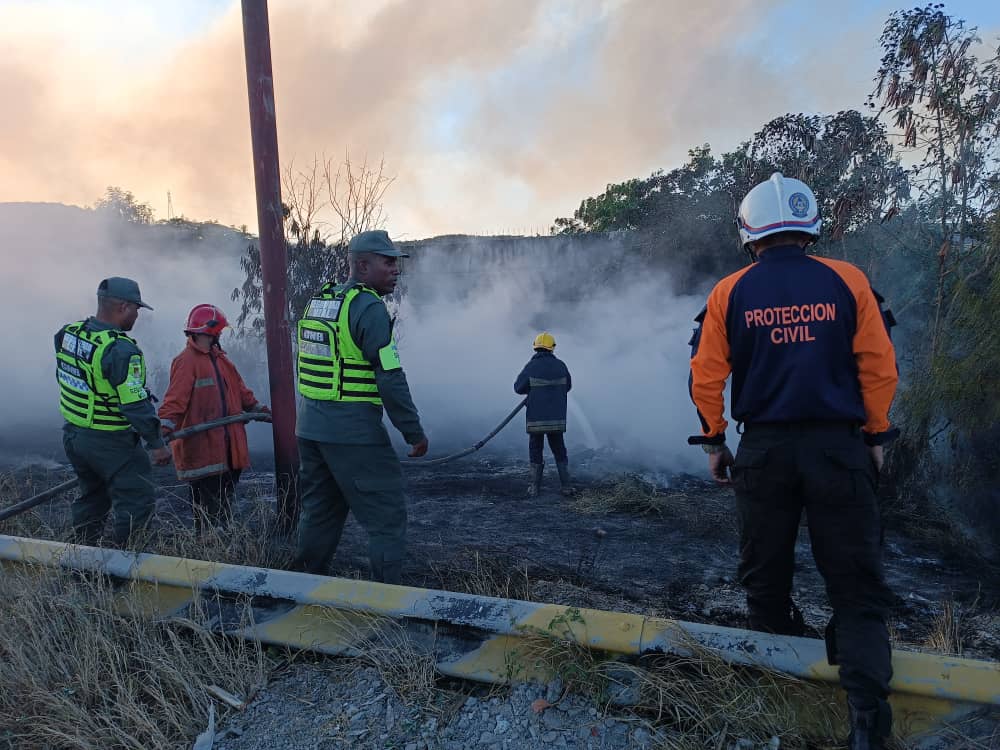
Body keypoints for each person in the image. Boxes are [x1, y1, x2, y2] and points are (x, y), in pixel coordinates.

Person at [687, 173, 899, 750]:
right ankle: (866, 723)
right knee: (856, 586)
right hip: (839, 447)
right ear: (810, 227)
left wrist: (714, 440)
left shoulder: (730, 292)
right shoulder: (848, 280)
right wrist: (875, 434)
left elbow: (706, 376)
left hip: (764, 452)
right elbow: (879, 367)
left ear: (749, 234)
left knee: (766, 578)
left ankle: (774, 701)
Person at [293, 229, 428, 584]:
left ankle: (300, 592)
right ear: (363, 266)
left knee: (319, 513)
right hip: (354, 434)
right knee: (387, 519)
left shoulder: (320, 301)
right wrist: (413, 431)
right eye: (389, 262)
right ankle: (386, 603)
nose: (396, 269)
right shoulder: (368, 307)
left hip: (310, 428)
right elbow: (390, 376)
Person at [55, 277, 171, 546]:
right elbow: (134, 403)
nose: (138, 315)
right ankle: (126, 572)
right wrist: (156, 443)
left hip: (74, 436)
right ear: (122, 307)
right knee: (137, 503)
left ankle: (81, 561)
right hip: (111, 441)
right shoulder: (120, 350)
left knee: (92, 499)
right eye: (136, 309)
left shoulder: (68, 333)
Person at [158, 304, 268, 532]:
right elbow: (174, 402)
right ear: (210, 331)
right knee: (208, 509)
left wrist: (258, 408)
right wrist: (162, 434)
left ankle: (220, 544)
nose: (219, 335)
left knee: (223, 504)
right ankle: (208, 550)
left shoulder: (221, 359)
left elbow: (239, 389)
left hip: (229, 449)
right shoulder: (186, 361)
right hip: (204, 452)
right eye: (218, 331)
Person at [514, 332, 573, 496]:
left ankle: (534, 488)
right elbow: (568, 386)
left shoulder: (531, 366)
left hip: (536, 419)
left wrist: (533, 391)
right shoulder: (561, 365)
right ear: (552, 348)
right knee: (559, 449)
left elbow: (518, 388)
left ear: (535, 347)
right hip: (557, 419)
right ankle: (566, 487)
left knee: (535, 449)